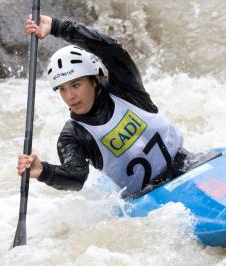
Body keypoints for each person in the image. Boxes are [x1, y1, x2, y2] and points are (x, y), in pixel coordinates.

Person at [17, 15, 184, 198]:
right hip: (145, 199)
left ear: (95, 79)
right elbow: (76, 177)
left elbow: (111, 49)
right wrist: (43, 171)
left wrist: (59, 27)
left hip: (185, 166)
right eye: (62, 89)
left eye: (76, 85)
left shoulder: (125, 88)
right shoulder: (73, 135)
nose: (70, 96)